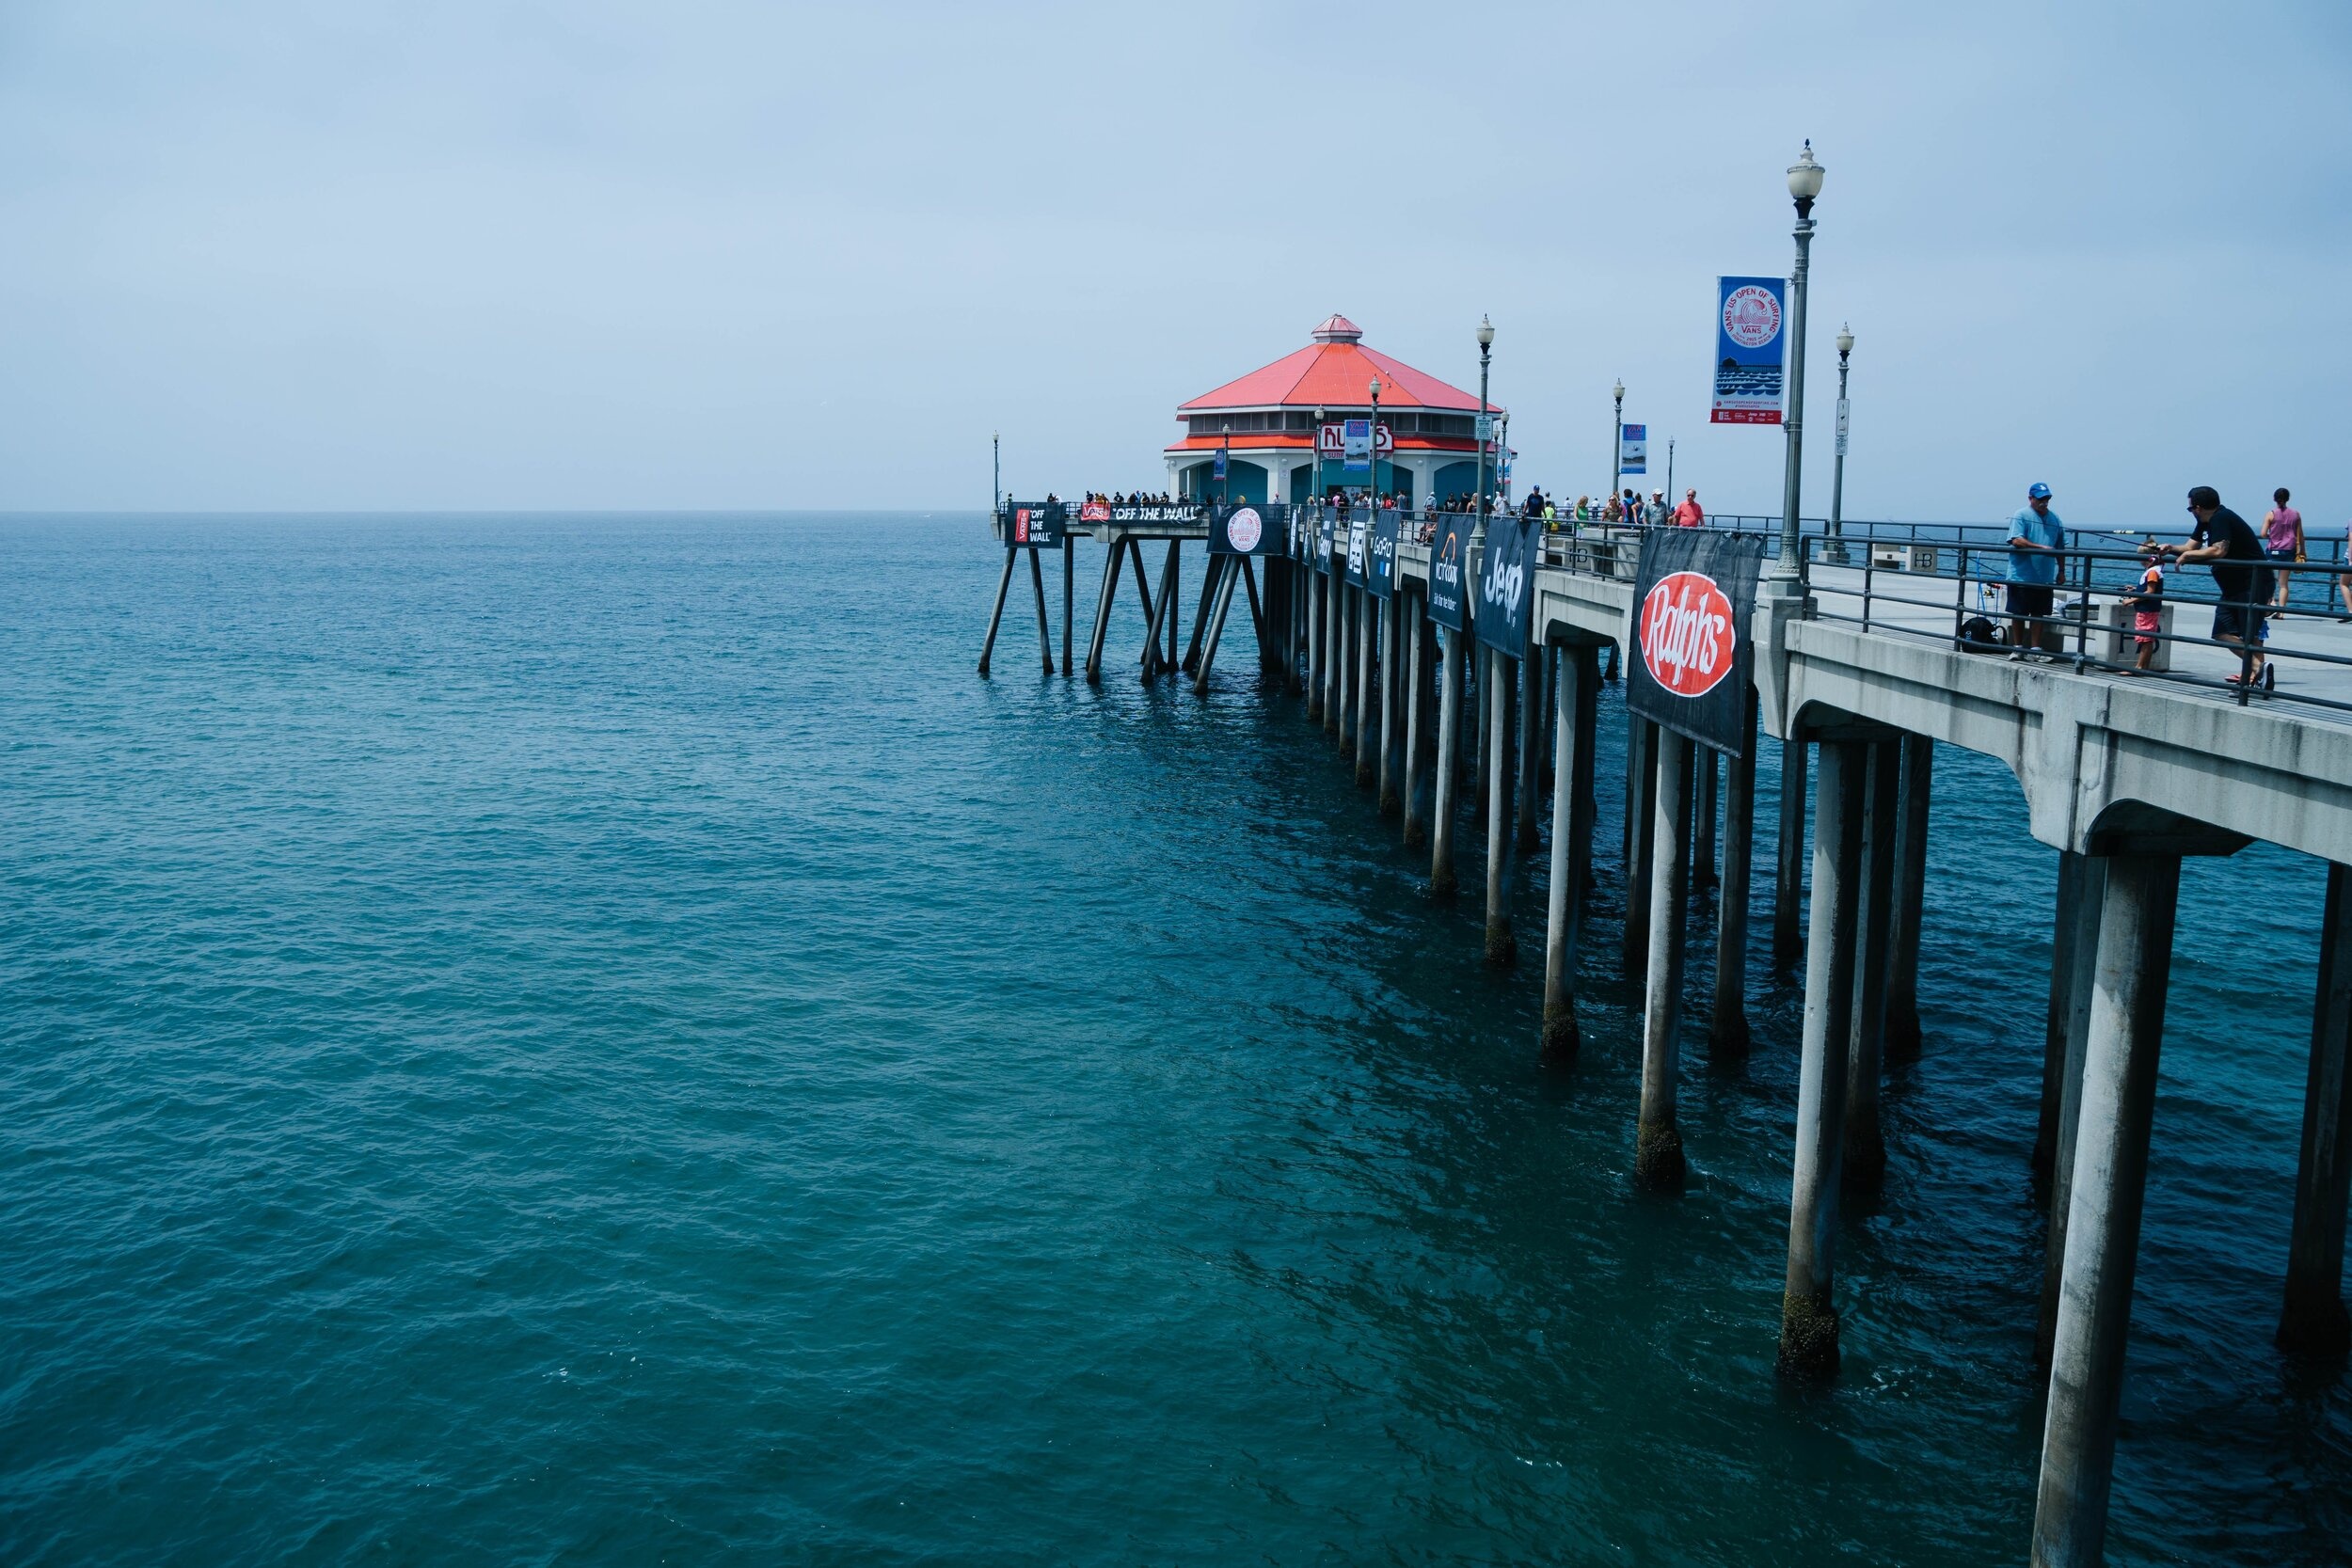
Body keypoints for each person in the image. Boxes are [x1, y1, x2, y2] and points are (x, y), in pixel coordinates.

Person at [2169, 484, 2270, 687]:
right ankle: (2259, 669)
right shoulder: (2205, 522)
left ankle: (2257, 672)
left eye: (2190, 509)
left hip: (2251, 583)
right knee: (2225, 632)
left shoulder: (2221, 518)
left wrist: (2187, 556)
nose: (2191, 513)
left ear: (2198, 507)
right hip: (2234, 587)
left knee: (2244, 632)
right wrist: (2169, 548)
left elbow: (2218, 551)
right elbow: (2190, 547)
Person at [2004, 482, 2065, 661]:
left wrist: (2061, 570)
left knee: (2038, 613)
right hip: (2021, 575)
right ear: (2031, 498)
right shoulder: (2021, 515)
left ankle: (2035, 649)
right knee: (2019, 613)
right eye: (2040, 499)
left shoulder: (2055, 519)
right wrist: (2041, 547)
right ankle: (2017, 648)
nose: (2044, 502)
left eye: (2047, 499)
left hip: (2044, 576)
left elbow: (2061, 548)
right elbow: (2016, 540)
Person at [2129, 540, 2167, 674]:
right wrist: (2135, 589)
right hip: (2148, 609)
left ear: (2150, 558)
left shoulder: (2152, 572)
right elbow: (2149, 589)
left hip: (2147, 610)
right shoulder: (2154, 570)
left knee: (2145, 639)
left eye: (2142, 558)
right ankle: (2143, 667)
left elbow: (2150, 592)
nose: (2140, 561)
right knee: (2146, 638)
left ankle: (2140, 667)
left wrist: (2130, 600)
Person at [2265, 486, 2303, 610]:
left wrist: (2272, 536)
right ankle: (2281, 612)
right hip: (2288, 551)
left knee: (2269, 581)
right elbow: (2300, 535)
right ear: (2288, 499)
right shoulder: (2295, 514)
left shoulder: (2271, 514)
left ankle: (2271, 603)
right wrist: (2302, 552)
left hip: (2273, 550)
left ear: (2274, 499)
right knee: (2283, 584)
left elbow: (2263, 533)